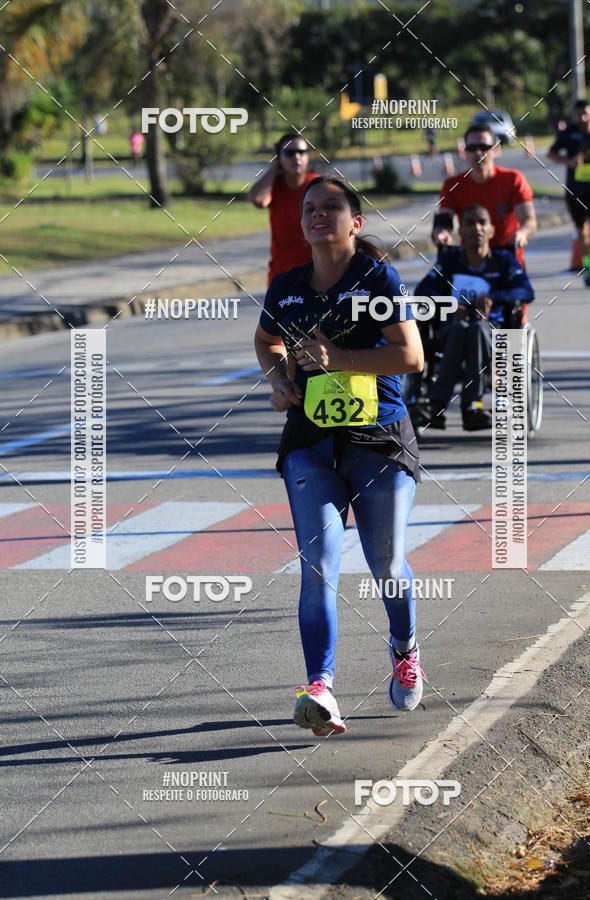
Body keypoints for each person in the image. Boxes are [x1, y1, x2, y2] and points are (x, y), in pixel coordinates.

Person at [254, 176, 425, 736]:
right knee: (318, 566)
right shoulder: (286, 287)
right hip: (310, 443)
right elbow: (266, 340)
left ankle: (404, 648)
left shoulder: (378, 279)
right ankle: (320, 688)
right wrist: (280, 381)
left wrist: (339, 358)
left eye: (332, 206)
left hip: (378, 439)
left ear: (355, 222)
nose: (318, 214)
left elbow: (411, 356)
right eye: (310, 207)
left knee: (386, 565)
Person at [416, 204, 534, 431]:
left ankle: (472, 404)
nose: (476, 228)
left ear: (491, 230)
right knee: (461, 329)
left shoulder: (503, 260)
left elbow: (525, 291)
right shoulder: (449, 260)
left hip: (491, 332)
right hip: (451, 331)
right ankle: (437, 405)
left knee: (478, 328)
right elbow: (423, 290)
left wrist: (493, 298)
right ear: (461, 231)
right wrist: (450, 305)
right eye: (469, 223)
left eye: (482, 223)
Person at [432, 124, 537, 266]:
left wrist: (522, 234)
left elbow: (529, 221)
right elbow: (443, 222)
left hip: (508, 261)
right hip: (471, 264)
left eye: (484, 147)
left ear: (496, 150)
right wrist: (441, 233)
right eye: (472, 148)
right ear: (465, 152)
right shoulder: (452, 185)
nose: (478, 153)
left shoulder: (513, 179)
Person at [248, 133, 317, 285]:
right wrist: (274, 166)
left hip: (313, 273)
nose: (296, 157)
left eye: (301, 152)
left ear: (308, 156)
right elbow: (259, 199)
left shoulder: (316, 185)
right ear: (279, 157)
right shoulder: (274, 185)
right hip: (280, 275)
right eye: (289, 153)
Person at [547, 99, 590, 287]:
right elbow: (551, 153)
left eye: (586, 113)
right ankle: (587, 266)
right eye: (579, 114)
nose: (582, 118)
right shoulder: (569, 132)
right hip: (575, 189)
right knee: (581, 230)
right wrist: (568, 161)